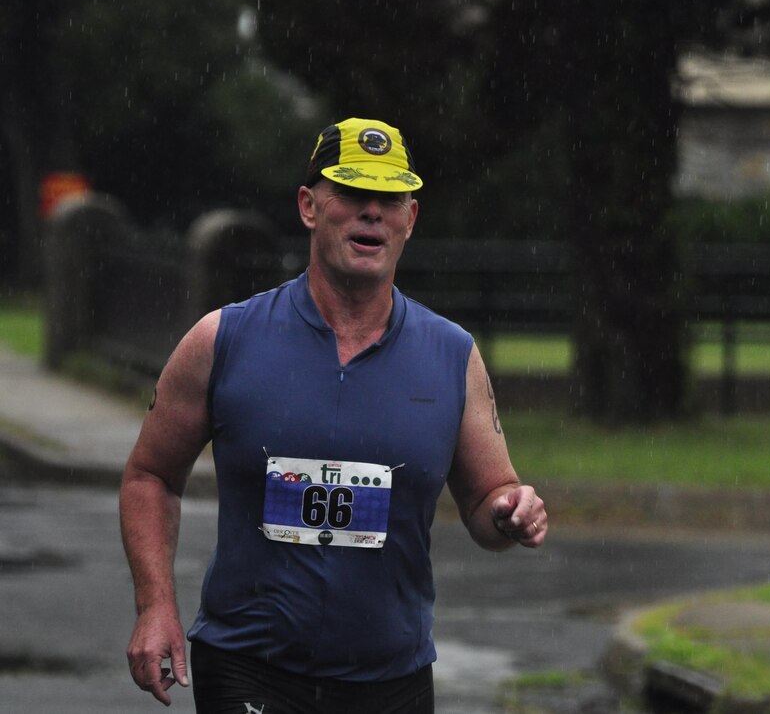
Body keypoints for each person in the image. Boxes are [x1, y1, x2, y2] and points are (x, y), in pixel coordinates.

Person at [119, 117, 548, 713]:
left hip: (390, 680)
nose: (372, 211)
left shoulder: (453, 355)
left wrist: (510, 513)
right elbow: (150, 476)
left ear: (410, 219)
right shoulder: (224, 339)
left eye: (390, 199)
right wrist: (155, 605)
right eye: (350, 192)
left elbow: (488, 500)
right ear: (309, 207)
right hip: (249, 669)